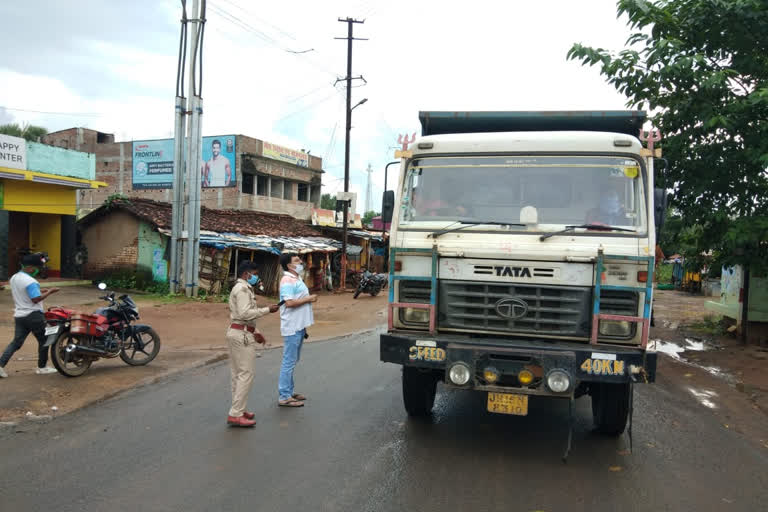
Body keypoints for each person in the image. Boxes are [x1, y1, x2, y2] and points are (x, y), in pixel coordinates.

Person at [226, 261, 279, 427]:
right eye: (254, 274)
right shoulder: (242, 289)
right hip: (241, 335)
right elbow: (244, 313)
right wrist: (266, 310)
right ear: (247, 274)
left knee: (237, 374)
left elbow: (239, 317)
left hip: (238, 331)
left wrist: (255, 332)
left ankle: (239, 409)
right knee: (246, 374)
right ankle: (235, 414)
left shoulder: (241, 288)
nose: (256, 277)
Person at [0, 253, 59, 378]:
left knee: (16, 343)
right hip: (34, 315)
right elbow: (36, 299)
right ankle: (42, 368)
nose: (38, 271)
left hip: (20, 315)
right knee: (44, 340)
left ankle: (0, 365)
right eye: (38, 268)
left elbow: (24, 292)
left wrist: (40, 291)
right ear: (31, 268)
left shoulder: (14, 277)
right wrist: (50, 292)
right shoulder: (31, 281)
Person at [277, 253, 317, 407]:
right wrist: (309, 298)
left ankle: (288, 391)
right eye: (296, 260)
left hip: (298, 326)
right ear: (289, 265)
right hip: (292, 327)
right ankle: (284, 396)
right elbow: (289, 303)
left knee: (293, 360)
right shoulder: (287, 280)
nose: (300, 262)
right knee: (289, 361)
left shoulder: (296, 278)